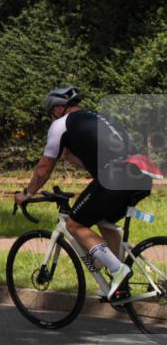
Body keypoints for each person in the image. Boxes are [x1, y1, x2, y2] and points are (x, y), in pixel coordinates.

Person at [14, 86, 155, 300]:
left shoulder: (60, 125)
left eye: (51, 113)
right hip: (142, 171)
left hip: (116, 174)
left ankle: (118, 271)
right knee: (104, 221)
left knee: (74, 224)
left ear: (58, 109)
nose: (51, 118)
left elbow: (44, 168)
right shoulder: (98, 117)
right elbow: (99, 159)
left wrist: (27, 194)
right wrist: (69, 157)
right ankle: (120, 287)